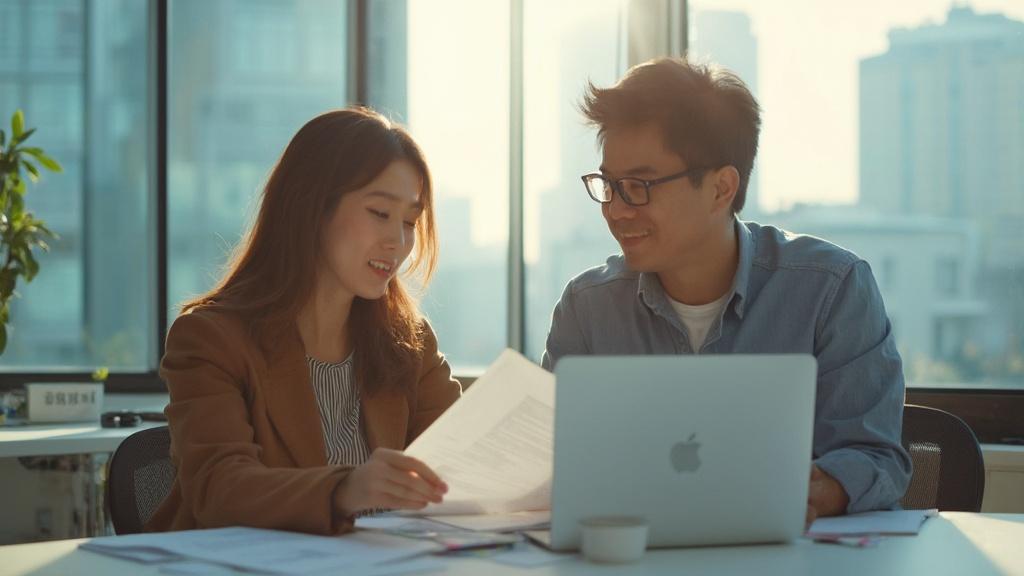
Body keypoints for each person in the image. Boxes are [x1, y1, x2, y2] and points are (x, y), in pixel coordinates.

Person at [541, 58, 912, 524]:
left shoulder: (831, 290)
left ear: (721, 188)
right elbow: (549, 461)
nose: (615, 210)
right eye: (609, 185)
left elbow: (878, 457)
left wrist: (821, 490)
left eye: (637, 186)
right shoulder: (587, 307)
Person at [147, 108, 461, 535]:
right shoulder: (209, 338)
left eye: (409, 221)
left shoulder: (410, 342)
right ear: (313, 207)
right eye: (379, 213)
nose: (399, 241)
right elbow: (219, 489)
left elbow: (462, 459)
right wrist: (345, 489)